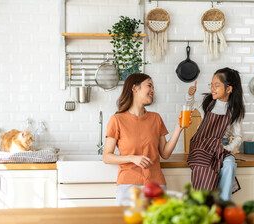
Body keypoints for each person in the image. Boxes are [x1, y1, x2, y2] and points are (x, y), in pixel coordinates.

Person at [103, 73, 186, 206]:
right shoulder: (117, 120)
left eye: (153, 87)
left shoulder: (156, 118)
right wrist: (132, 158)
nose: (153, 90)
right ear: (135, 88)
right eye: (149, 85)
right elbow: (107, 157)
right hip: (129, 186)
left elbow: (165, 153)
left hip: (156, 184)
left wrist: (178, 128)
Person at [186, 67, 245, 201]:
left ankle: (222, 203)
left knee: (230, 164)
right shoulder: (206, 102)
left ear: (229, 89)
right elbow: (189, 106)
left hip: (220, 148)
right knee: (204, 165)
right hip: (201, 146)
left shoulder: (234, 110)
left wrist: (228, 149)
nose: (212, 88)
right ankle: (204, 201)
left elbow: (238, 136)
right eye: (211, 85)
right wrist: (190, 95)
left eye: (217, 85)